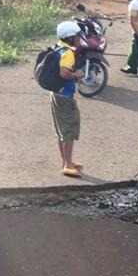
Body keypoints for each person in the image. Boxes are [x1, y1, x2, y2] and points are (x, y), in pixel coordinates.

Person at [51, 21, 86, 177]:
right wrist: (76, 75)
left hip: (57, 94)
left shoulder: (58, 46)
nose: (79, 39)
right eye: (77, 36)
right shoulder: (68, 53)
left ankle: (67, 161)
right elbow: (64, 73)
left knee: (62, 131)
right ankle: (67, 164)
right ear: (70, 37)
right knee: (69, 130)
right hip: (65, 96)